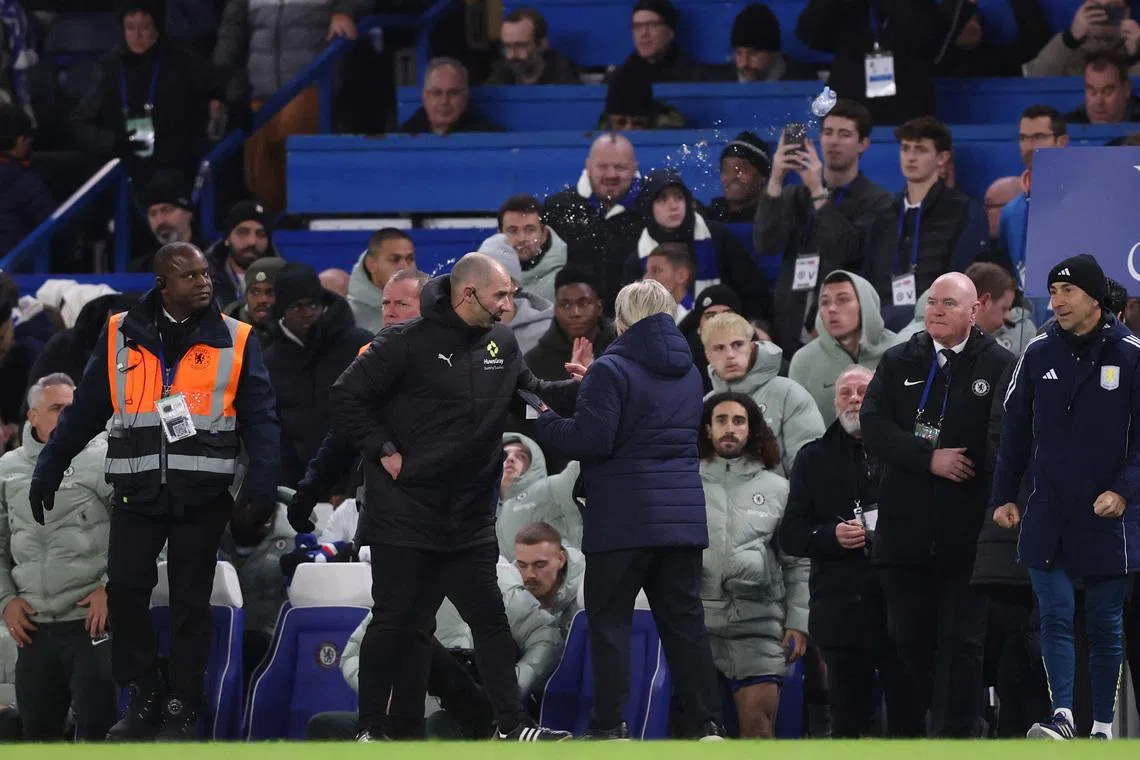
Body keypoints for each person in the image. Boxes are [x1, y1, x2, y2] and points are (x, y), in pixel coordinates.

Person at [28, 242, 280, 739]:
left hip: (203, 492)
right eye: (191, 276)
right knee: (125, 592)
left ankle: (183, 703)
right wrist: (50, 464)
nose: (204, 282)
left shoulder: (236, 337)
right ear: (163, 285)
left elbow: (261, 415)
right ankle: (142, 693)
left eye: (206, 274)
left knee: (190, 603)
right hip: (135, 489)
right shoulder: (120, 332)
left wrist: (263, 480)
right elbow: (88, 408)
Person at [326, 252, 577, 742]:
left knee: (490, 621)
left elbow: (530, 396)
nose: (507, 306)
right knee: (393, 622)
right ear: (469, 294)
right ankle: (370, 730)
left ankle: (512, 727)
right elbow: (345, 395)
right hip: (405, 515)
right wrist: (383, 449)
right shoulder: (403, 342)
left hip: (468, 517)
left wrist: (578, 388)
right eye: (501, 295)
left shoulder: (502, 343)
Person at [533, 279, 726, 740]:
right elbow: (645, 415)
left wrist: (544, 417)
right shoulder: (689, 370)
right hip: (680, 520)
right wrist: (595, 388)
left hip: (622, 521)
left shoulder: (611, 369)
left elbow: (590, 441)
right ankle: (708, 724)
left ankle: (609, 726)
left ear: (621, 320)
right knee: (685, 626)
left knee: (610, 625)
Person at [992, 254, 1140, 741]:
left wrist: (1123, 491)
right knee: (1054, 615)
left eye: (1067, 291)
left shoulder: (1131, 354)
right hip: (1048, 509)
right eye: (1053, 291)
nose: (1056, 301)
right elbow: (1013, 430)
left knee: (1104, 623)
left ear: (1095, 299)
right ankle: (1062, 716)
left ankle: (1101, 727)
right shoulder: (1037, 352)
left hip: (1109, 513)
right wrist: (1003, 496)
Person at [859, 272, 1013, 736]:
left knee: (963, 646)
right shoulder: (898, 360)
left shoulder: (1001, 365)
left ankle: (957, 735)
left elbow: (1006, 439)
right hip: (904, 535)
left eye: (949, 303)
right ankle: (939, 727)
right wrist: (928, 458)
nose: (937, 311)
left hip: (966, 537)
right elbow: (873, 425)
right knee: (908, 640)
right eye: (931, 303)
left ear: (975, 310)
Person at [780, 365, 921, 738]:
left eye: (863, 391)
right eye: (846, 392)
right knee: (847, 723)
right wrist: (831, 536)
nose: (854, 399)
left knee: (909, 722)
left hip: (902, 609)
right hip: (842, 613)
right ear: (834, 402)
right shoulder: (812, 458)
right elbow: (791, 535)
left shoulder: (907, 451)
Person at [0, 374, 117, 740]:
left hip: (92, 625)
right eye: (56, 409)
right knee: (37, 738)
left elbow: (142, 533)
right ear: (32, 416)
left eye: (72, 408)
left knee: (98, 737)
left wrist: (111, 589)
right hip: (34, 628)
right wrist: (5, 600)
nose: (67, 416)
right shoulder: (7, 469)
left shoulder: (103, 459)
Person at [698, 391, 809, 738]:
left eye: (739, 421)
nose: (730, 428)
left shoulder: (779, 489)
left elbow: (797, 561)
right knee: (698, 739)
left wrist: (798, 622)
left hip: (759, 628)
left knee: (758, 733)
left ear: (752, 429)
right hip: (696, 629)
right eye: (721, 420)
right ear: (707, 429)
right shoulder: (683, 482)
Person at [756, 99, 892, 356]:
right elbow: (766, 244)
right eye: (828, 132)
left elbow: (849, 249)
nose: (833, 141)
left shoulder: (878, 201)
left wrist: (818, 193)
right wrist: (775, 179)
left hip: (843, 332)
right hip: (788, 325)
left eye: (844, 134)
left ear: (863, 144)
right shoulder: (795, 195)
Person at [263, 264, 371, 489]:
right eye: (297, 306)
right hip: (295, 487)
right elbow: (275, 432)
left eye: (313, 304)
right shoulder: (269, 361)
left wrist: (350, 485)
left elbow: (371, 417)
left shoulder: (358, 345)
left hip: (355, 484)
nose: (308, 313)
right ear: (282, 310)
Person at [702, 312, 825, 476]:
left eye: (737, 345)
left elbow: (812, 467)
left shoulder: (788, 393)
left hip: (781, 492)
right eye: (719, 348)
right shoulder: (705, 405)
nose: (730, 355)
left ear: (752, 347)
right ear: (708, 355)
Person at [496, 434, 581, 560]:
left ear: (533, 464)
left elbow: (576, 470)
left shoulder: (550, 488)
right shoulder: (484, 509)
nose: (510, 459)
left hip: (563, 569)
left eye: (521, 456)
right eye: (504, 455)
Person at [206, 200, 277, 310]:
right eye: (243, 232)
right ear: (227, 239)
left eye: (261, 234)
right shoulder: (206, 279)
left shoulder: (281, 279)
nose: (252, 241)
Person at [485, 8, 580, 85]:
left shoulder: (562, 73)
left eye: (521, 46)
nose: (512, 55)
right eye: (507, 46)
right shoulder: (503, 71)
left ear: (542, 45)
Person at [348, 228, 417, 333]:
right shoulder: (348, 316)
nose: (405, 267)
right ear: (371, 265)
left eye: (410, 258)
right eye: (394, 259)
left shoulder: (427, 309)